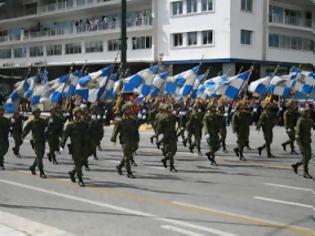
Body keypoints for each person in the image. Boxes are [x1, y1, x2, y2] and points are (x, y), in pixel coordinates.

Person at [111, 102, 142, 178]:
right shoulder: (120, 119)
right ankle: (129, 172)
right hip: (125, 139)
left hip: (133, 139)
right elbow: (115, 130)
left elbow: (136, 128)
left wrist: (141, 119)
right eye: (128, 109)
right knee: (127, 156)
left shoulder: (133, 118)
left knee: (128, 154)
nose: (130, 110)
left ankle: (119, 166)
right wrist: (113, 138)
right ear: (124, 110)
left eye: (130, 109)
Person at [60, 107, 87, 187]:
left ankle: (72, 172)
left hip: (84, 147)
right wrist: (62, 145)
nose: (79, 115)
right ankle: (80, 179)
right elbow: (65, 136)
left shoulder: (84, 124)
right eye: (77, 113)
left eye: (80, 113)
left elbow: (88, 135)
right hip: (75, 148)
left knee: (81, 163)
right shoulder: (70, 125)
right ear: (74, 114)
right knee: (78, 163)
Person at [22, 108, 48, 178]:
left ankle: (33, 167)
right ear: (34, 114)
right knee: (39, 156)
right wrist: (22, 137)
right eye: (37, 112)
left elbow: (47, 127)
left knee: (40, 156)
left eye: (39, 112)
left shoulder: (42, 121)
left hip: (42, 140)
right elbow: (26, 130)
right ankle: (41, 171)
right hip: (36, 141)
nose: (38, 114)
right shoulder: (31, 122)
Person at [291, 107, 314, 179]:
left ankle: (296, 165)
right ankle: (305, 172)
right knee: (305, 157)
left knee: (309, 156)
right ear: (304, 113)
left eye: (309, 112)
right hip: (302, 142)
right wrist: (300, 145)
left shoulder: (309, 120)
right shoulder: (300, 121)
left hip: (307, 141)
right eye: (307, 112)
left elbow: (314, 125)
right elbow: (297, 134)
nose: (309, 114)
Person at [158, 104, 178, 172]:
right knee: (170, 151)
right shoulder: (163, 118)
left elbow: (179, 119)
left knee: (174, 150)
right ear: (166, 110)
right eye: (169, 109)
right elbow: (159, 128)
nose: (170, 110)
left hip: (173, 136)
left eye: (171, 109)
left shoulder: (173, 117)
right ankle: (171, 165)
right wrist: (158, 135)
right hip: (166, 137)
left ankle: (164, 159)